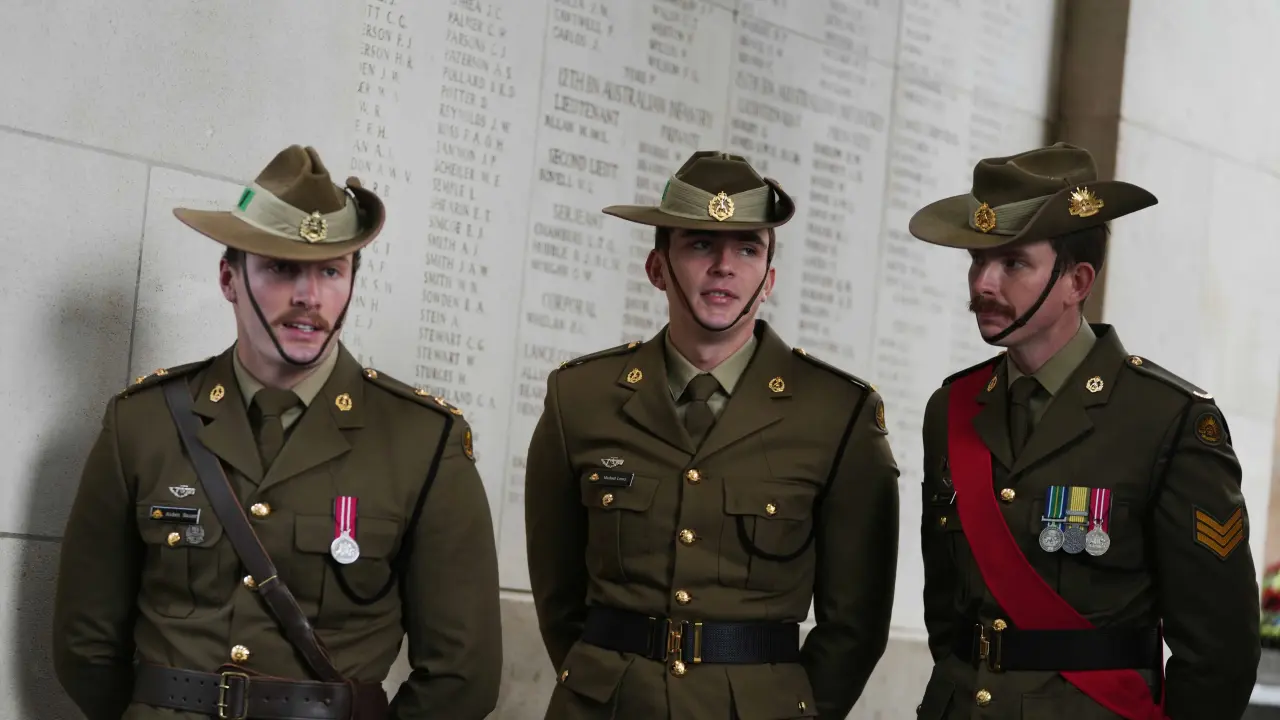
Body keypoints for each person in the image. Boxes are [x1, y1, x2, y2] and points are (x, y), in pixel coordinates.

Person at [52, 145, 502, 719]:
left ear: (351, 285)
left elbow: (464, 676)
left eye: (330, 271)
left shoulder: (422, 441)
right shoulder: (142, 424)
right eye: (280, 268)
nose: (308, 297)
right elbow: (85, 647)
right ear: (229, 278)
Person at [524, 150, 900, 719]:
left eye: (747, 248)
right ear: (657, 268)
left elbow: (856, 624)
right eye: (700, 244)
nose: (724, 265)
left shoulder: (837, 413)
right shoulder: (579, 398)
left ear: (768, 279)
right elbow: (558, 597)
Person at [908, 142, 1261, 719]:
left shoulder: (1166, 420)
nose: (983, 284)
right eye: (977, 261)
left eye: (1014, 263)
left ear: (1077, 281)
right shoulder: (951, 409)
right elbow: (947, 615)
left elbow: (1220, 651)